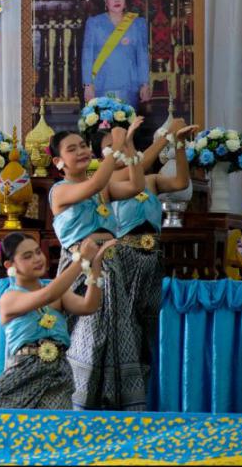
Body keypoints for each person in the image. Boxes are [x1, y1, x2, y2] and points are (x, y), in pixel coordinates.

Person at [49, 123, 148, 410]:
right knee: (88, 339)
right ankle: (79, 406)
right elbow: (93, 184)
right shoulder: (60, 191)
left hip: (111, 266)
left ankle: (113, 405)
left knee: (115, 336)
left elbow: (137, 186)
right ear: (58, 162)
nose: (81, 151)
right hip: (80, 269)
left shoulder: (100, 187)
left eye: (83, 145)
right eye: (72, 149)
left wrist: (129, 146)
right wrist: (114, 148)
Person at [97, 118, 199, 397]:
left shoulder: (150, 181)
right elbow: (139, 166)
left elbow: (180, 182)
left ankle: (139, 393)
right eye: (111, 148)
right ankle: (115, 392)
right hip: (123, 260)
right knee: (123, 327)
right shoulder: (105, 182)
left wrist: (179, 143)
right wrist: (165, 136)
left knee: (147, 327)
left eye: (121, 145)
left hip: (152, 259)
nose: (118, 151)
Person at [0, 233, 112, 409]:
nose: (37, 259)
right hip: (23, 371)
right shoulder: (9, 298)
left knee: (56, 424)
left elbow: (89, 306)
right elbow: (48, 295)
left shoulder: (58, 293)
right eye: (27, 256)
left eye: (38, 252)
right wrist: (81, 260)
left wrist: (96, 266)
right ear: (10, 265)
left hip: (58, 372)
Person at [82, 0, 151, 110]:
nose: (117, 0)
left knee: (127, 121)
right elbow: (87, 57)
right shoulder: (94, 23)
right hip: (101, 84)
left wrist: (145, 84)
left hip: (129, 85)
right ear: (105, 1)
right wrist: (88, 85)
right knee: (104, 122)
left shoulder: (138, 23)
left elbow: (142, 56)